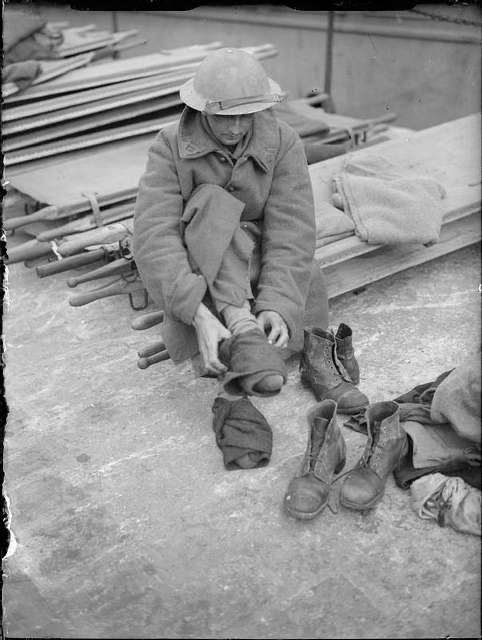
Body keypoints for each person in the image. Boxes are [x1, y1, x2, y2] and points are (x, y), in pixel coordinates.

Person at [133, 48, 367, 471]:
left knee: (304, 272)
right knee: (211, 205)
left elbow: (292, 228)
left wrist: (277, 303)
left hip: (258, 249)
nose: (236, 127)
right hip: (203, 254)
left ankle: (305, 352)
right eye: (225, 117)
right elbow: (154, 237)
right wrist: (195, 313)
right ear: (201, 107)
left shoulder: (282, 140)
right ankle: (235, 353)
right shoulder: (169, 146)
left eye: (247, 116)